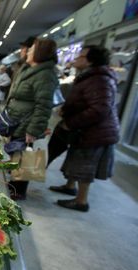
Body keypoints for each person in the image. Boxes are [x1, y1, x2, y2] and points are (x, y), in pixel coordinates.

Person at [49, 45, 120, 212]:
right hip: (86, 130)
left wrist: (71, 122)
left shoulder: (99, 79)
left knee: (85, 166)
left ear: (90, 60)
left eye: (80, 56)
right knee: (75, 160)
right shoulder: (92, 76)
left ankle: (81, 201)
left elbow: (99, 109)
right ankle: (69, 186)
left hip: (95, 132)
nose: (75, 59)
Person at [6, 39, 59, 200]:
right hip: (18, 121)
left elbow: (44, 106)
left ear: (40, 53)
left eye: (32, 49)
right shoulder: (30, 69)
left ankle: (19, 190)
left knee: (24, 156)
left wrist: (33, 130)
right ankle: (14, 184)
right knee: (17, 153)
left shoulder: (45, 75)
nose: (28, 51)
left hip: (27, 123)